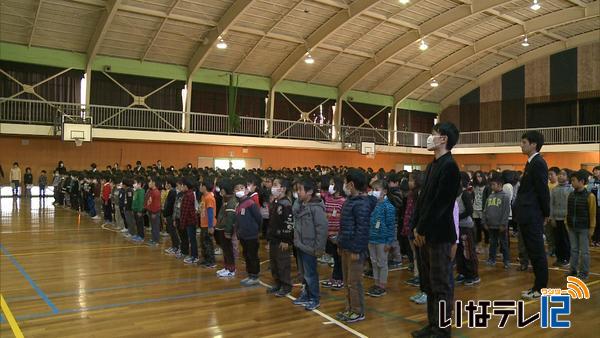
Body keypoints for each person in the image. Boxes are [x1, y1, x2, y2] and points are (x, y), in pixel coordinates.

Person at [411, 122, 461, 338]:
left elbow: (441, 204)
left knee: (441, 284)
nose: (429, 137)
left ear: (444, 139)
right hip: (425, 233)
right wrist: (415, 227)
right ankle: (432, 325)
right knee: (429, 283)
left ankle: (442, 329)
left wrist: (422, 228)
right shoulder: (433, 165)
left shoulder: (450, 166)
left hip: (439, 234)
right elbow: (423, 201)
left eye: (433, 134)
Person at [514, 130, 550, 300]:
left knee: (537, 252)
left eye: (524, 142)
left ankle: (540, 288)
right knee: (532, 251)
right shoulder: (531, 163)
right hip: (527, 214)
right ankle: (536, 286)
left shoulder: (538, 163)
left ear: (533, 144)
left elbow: (542, 190)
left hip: (533, 214)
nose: (521, 145)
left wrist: (545, 213)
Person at [336, 169, 371, 323]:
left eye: (345, 182)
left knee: (354, 282)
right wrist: (340, 243)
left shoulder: (362, 204)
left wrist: (357, 249)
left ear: (351, 184)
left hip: (355, 250)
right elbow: (344, 226)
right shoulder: (350, 201)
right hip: (346, 247)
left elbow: (362, 229)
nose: (344, 185)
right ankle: (349, 307)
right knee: (347, 281)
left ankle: (357, 311)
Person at [292, 179, 328, 311]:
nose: (298, 193)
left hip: (310, 246)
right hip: (300, 245)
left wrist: (319, 248)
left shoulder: (316, 208)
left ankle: (314, 298)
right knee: (303, 273)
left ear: (310, 191)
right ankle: (306, 294)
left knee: (310, 274)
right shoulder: (300, 205)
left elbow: (322, 229)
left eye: (300, 190)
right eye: (297, 190)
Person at [566, 170, 597, 281]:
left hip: (584, 228)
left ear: (582, 181)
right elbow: (568, 211)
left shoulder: (590, 196)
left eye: (573, 180)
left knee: (584, 252)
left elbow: (593, 214)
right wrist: (567, 223)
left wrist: (592, 228)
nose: (571, 182)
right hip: (572, 227)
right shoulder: (571, 195)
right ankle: (573, 270)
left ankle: (584, 272)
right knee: (574, 250)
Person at [366, 180, 396, 297]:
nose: (374, 192)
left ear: (385, 192)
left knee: (382, 263)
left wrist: (389, 242)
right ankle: (376, 283)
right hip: (371, 238)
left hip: (382, 240)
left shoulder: (389, 207)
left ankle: (382, 285)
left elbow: (391, 226)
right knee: (374, 262)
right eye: (373, 190)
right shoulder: (372, 205)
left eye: (377, 190)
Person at [266, 178, 294, 297]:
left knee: (282, 263)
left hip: (282, 239)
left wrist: (286, 240)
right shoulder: (276, 202)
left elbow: (288, 223)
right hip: (274, 238)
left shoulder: (286, 204)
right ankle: (277, 283)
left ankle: (286, 285)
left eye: (276, 185)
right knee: (274, 263)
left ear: (282, 188)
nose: (273, 187)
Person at [235, 179, 262, 286]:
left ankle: (255, 276)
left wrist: (256, 230)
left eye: (241, 188)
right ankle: (250, 274)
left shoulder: (250, 203)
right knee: (246, 255)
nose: (239, 190)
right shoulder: (239, 204)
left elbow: (259, 218)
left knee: (252, 255)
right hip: (243, 235)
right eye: (236, 189)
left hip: (251, 235)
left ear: (246, 191)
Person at [321, 176, 346, 290]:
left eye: (332, 184)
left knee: (339, 258)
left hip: (338, 234)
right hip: (329, 233)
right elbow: (326, 214)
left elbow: (343, 219)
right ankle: (334, 277)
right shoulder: (329, 199)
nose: (330, 186)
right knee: (335, 258)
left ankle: (340, 278)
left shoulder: (343, 201)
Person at [456, 172, 480, 286]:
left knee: (468, 251)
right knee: (459, 251)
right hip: (457, 226)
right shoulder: (455, 194)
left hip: (466, 226)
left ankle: (473, 274)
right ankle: (462, 272)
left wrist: (457, 217)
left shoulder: (465, 194)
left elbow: (469, 210)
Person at [483, 176, 511, 269]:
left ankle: (506, 261)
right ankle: (492, 259)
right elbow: (485, 210)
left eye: (493, 184)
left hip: (500, 226)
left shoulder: (505, 197)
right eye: (491, 184)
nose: (491, 186)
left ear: (500, 185)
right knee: (493, 243)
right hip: (491, 225)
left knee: (503, 243)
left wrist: (503, 224)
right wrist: (485, 222)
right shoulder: (490, 196)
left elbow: (506, 211)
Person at [214, 178, 238, 278]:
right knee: (225, 249)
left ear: (224, 189)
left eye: (220, 188)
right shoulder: (225, 199)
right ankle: (227, 267)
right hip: (221, 228)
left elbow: (230, 218)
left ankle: (231, 269)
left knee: (228, 250)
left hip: (226, 229)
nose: (219, 190)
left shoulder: (231, 201)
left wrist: (228, 231)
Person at [550, 169, 573, 267]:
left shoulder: (570, 189)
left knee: (566, 240)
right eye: (559, 174)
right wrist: (552, 218)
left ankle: (566, 259)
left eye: (563, 174)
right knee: (557, 240)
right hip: (556, 218)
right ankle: (559, 258)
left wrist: (568, 218)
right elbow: (551, 204)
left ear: (568, 177)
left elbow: (571, 206)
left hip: (566, 219)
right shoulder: (554, 189)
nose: (560, 176)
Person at [180, 178, 200, 264]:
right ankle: (193, 255)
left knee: (192, 239)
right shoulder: (189, 194)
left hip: (190, 220)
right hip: (190, 220)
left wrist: (182, 223)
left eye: (182, 185)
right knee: (192, 238)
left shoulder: (188, 195)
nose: (181, 187)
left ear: (186, 186)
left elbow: (185, 210)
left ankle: (194, 256)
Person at [199, 179, 217, 268]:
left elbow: (210, 213)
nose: (199, 187)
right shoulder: (203, 196)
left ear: (204, 187)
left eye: (201, 185)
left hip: (208, 225)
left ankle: (211, 261)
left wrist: (210, 226)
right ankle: (206, 259)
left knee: (208, 243)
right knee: (203, 242)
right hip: (203, 223)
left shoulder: (209, 197)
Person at [472, 171, 490, 252]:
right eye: (477, 177)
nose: (478, 178)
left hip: (483, 210)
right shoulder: (474, 186)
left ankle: (486, 244)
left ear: (483, 177)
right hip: (475, 209)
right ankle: (478, 245)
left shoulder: (487, 187)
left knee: (485, 228)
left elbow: (488, 199)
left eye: (480, 176)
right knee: (477, 229)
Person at [163, 177, 180, 255]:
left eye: (166, 183)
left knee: (173, 232)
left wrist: (166, 214)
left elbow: (170, 206)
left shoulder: (172, 192)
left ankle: (176, 247)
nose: (165, 185)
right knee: (171, 231)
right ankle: (174, 246)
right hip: (168, 215)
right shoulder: (170, 192)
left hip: (170, 215)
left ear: (169, 184)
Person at [145, 177, 162, 246]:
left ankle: (156, 241)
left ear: (154, 183)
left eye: (150, 182)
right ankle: (153, 238)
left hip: (154, 212)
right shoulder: (151, 191)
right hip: (150, 211)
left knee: (155, 227)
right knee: (152, 226)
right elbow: (149, 201)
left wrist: (154, 212)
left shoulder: (156, 192)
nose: (149, 183)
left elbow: (157, 204)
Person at [587, 166, 600, 247]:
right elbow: (588, 190)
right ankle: (594, 239)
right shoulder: (592, 180)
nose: (595, 172)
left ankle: (598, 240)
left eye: (597, 170)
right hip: (593, 204)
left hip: (599, 205)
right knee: (593, 222)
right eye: (594, 170)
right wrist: (591, 181)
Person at [132, 177, 146, 243]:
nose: (134, 184)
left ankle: (141, 236)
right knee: (137, 223)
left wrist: (140, 211)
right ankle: (138, 234)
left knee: (140, 224)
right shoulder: (136, 191)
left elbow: (141, 202)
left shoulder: (141, 191)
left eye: (135, 183)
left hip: (138, 211)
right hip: (135, 210)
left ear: (139, 184)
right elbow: (134, 200)